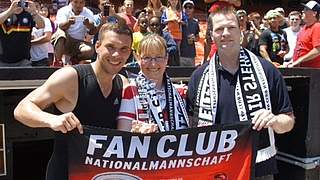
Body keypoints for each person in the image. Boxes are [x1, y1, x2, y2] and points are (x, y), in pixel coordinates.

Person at [14, 17, 133, 180]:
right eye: (110, 46)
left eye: (124, 49)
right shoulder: (72, 77)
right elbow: (21, 109)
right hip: (66, 174)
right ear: (97, 47)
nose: (116, 54)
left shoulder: (122, 83)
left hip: (101, 175)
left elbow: (123, 132)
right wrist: (51, 120)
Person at [186, 6, 294, 179]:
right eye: (219, 29)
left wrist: (273, 120)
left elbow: (288, 122)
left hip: (258, 168)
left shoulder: (267, 70)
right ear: (212, 35)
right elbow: (190, 126)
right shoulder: (198, 77)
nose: (226, 33)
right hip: (215, 169)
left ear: (241, 31)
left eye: (231, 27)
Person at [117, 34, 189, 133]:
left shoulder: (180, 93)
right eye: (147, 58)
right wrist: (135, 132)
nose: (153, 64)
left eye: (159, 57)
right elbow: (122, 135)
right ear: (138, 58)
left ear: (166, 58)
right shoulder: (131, 91)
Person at [51, 0, 97, 66]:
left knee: (89, 50)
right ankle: (58, 61)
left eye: (81, 2)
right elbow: (61, 26)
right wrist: (68, 22)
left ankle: (74, 59)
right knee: (60, 34)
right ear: (71, 1)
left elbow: (93, 32)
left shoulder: (88, 13)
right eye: (76, 2)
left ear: (84, 3)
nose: (78, 5)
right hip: (65, 40)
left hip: (78, 42)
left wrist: (89, 24)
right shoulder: (63, 10)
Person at [0, 0, 44, 67]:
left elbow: (41, 25)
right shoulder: (4, 14)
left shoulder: (29, 14)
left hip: (24, 60)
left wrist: (34, 12)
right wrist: (10, 11)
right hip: (3, 61)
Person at [289, 1, 320, 68]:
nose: (303, 11)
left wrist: (299, 60)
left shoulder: (317, 27)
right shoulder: (303, 28)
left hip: (312, 72)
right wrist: (292, 61)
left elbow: (318, 50)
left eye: (306, 9)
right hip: (301, 69)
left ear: (314, 13)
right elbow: (299, 49)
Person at [180, 0, 200, 66]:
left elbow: (198, 37)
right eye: (186, 7)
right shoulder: (179, 21)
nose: (188, 9)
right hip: (180, 54)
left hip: (191, 54)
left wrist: (194, 38)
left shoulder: (195, 22)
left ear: (193, 9)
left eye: (190, 7)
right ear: (183, 9)